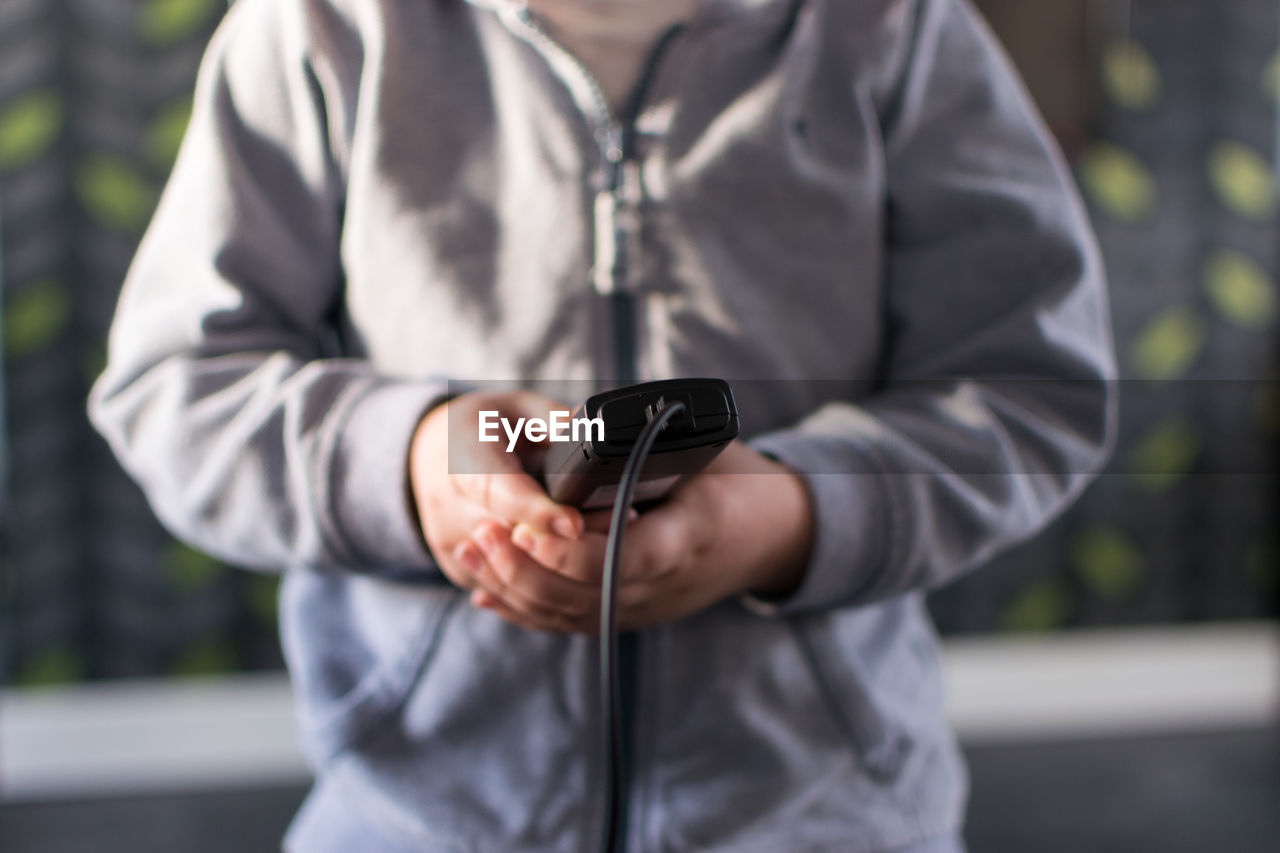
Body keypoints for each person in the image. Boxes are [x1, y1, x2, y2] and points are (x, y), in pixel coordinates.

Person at [89, 0, 1116, 850]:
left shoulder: (891, 29)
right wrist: (416, 457)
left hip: (827, 814)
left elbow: (1030, 389)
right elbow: (179, 389)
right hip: (416, 814)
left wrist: (780, 516)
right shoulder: (323, 26)